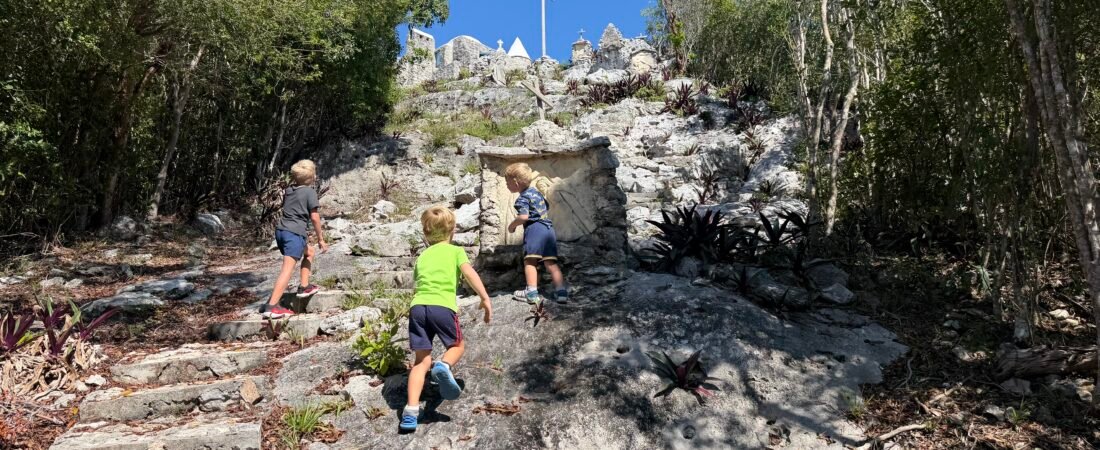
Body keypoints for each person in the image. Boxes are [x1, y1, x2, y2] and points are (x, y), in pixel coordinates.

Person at [401, 205, 493, 432]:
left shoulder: (422, 256)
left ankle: (410, 412)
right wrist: (484, 297)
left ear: (425, 233)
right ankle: (443, 365)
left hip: (417, 307)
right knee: (457, 346)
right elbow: (469, 273)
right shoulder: (455, 252)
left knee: (421, 362)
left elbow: (417, 282)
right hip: (442, 306)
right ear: (453, 231)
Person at [261, 160, 328, 319]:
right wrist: (321, 239)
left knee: (309, 252)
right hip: (294, 234)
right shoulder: (310, 192)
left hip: (281, 231)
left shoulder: (289, 190)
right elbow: (315, 218)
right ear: (312, 177)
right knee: (287, 270)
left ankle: (304, 287)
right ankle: (272, 307)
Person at [504, 162, 568, 305]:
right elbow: (546, 206)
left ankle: (531, 293)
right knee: (551, 263)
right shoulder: (536, 193)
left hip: (535, 230)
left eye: (507, 183)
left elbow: (523, 217)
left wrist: (511, 226)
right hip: (548, 230)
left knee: (530, 261)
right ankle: (561, 292)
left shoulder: (522, 199)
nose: (507, 185)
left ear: (515, 182)